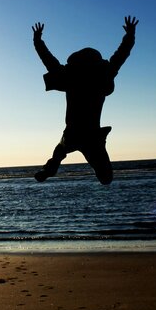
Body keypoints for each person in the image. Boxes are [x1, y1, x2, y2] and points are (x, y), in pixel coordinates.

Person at [32, 16, 138, 184]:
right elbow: (120, 56)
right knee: (106, 178)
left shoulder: (71, 77)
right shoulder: (101, 75)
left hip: (73, 132)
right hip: (92, 135)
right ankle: (52, 167)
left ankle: (51, 167)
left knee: (60, 150)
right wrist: (130, 35)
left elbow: (49, 61)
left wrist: (38, 41)